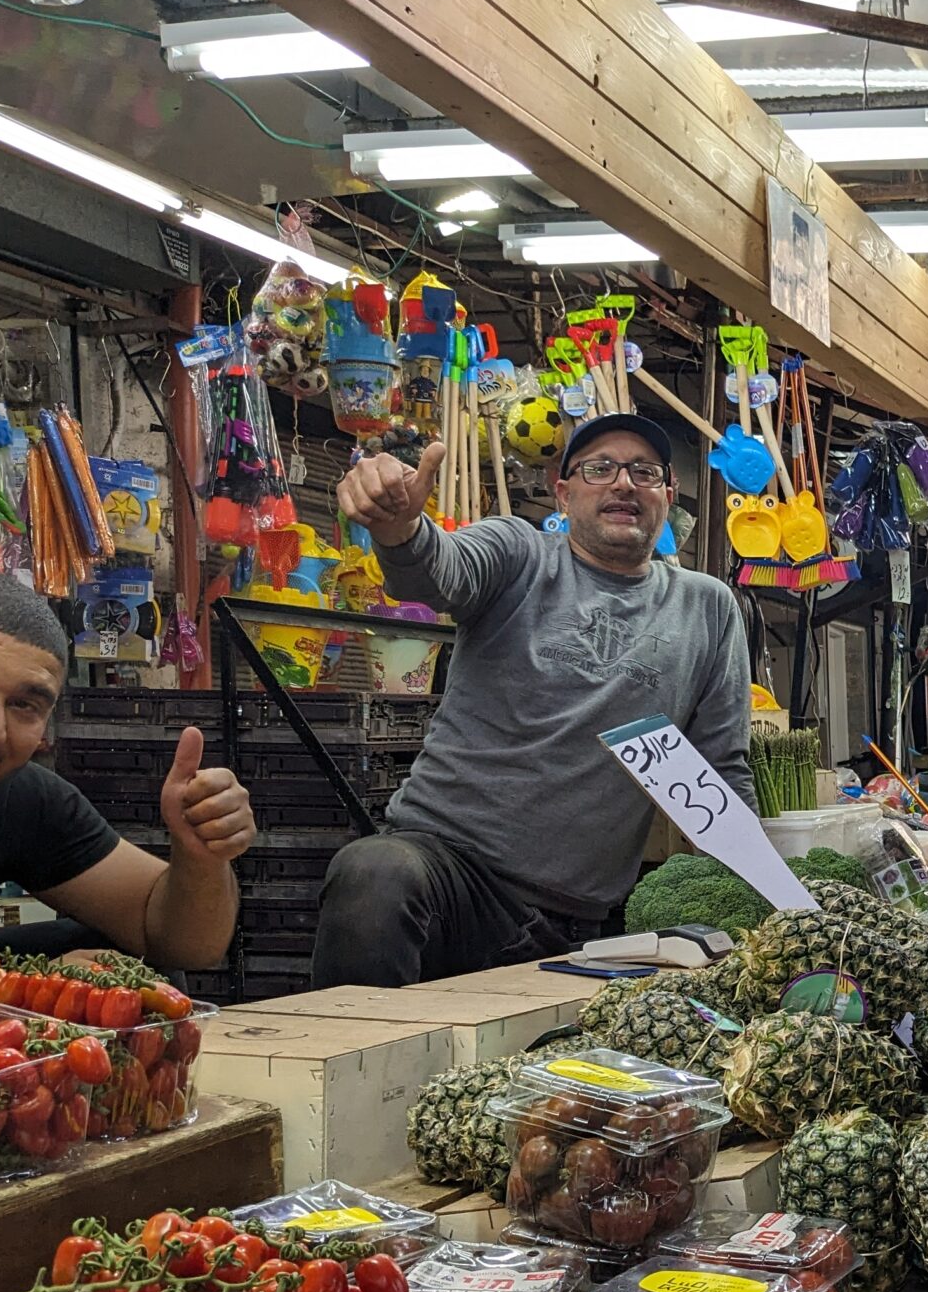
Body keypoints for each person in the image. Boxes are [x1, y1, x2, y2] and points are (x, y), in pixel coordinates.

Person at [317, 413, 757, 986]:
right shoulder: (520, 553)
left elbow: (721, 771)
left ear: (668, 497)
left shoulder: (707, 607)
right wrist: (402, 531)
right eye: (599, 469)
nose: (623, 483)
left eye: (644, 472)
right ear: (564, 492)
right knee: (373, 872)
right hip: (448, 874)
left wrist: (764, 892)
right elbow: (440, 573)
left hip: (578, 927)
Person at [0, 566, 255, 967]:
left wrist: (200, 856)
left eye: (24, 705)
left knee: (117, 961)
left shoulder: (21, 797)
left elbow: (182, 944)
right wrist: (22, 988)